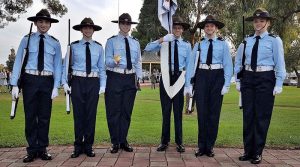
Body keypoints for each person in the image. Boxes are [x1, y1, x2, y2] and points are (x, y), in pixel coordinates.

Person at [234, 8, 286, 164]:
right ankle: (248, 151)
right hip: (248, 78)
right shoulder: (246, 40)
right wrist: (238, 80)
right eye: (256, 21)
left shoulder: (274, 40)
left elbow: (280, 63)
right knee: (248, 116)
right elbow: (238, 61)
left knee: (261, 117)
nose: (258, 23)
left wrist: (279, 83)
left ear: (268, 23)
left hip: (266, 78)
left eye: (262, 21)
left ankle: (257, 152)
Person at [10, 9, 62, 163]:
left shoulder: (55, 42)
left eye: (46, 22)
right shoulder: (26, 39)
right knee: (30, 116)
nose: (43, 24)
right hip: (30, 80)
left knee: (45, 116)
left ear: (50, 24)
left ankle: (43, 149)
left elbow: (58, 65)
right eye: (40, 21)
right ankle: (32, 149)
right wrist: (14, 84)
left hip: (47, 80)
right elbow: (18, 60)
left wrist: (55, 86)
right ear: (35, 23)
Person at [186, 15, 233, 157]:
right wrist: (188, 84)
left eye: (212, 26)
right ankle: (201, 147)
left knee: (214, 114)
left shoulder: (223, 44)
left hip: (217, 77)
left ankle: (210, 146)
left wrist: (226, 83)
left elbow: (227, 65)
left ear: (216, 28)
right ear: (204, 29)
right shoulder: (199, 45)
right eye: (207, 26)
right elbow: (191, 65)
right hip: (202, 76)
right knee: (202, 113)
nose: (209, 28)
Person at [144, 16, 191, 153]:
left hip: (179, 78)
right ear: (172, 29)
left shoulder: (187, 45)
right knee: (165, 112)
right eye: (175, 27)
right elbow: (147, 48)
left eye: (179, 28)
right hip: (165, 77)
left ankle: (179, 142)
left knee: (178, 112)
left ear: (182, 30)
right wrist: (163, 39)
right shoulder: (164, 42)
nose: (177, 30)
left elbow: (188, 66)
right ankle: (164, 141)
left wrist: (188, 85)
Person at [62, 18, 106, 158]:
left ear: (93, 30)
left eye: (90, 28)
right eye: (85, 28)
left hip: (93, 81)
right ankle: (77, 146)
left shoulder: (99, 47)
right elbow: (66, 67)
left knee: (90, 115)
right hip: (77, 81)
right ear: (81, 30)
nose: (88, 30)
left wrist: (103, 85)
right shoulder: (73, 46)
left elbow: (101, 68)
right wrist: (64, 83)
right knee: (79, 115)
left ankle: (88, 146)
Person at [105, 13, 142, 154]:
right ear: (119, 24)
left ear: (130, 26)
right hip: (115, 77)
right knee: (114, 111)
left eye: (128, 24)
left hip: (130, 78)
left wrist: (138, 78)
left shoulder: (135, 42)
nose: (125, 26)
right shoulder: (111, 41)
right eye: (123, 23)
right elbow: (106, 62)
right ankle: (115, 142)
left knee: (126, 111)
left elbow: (138, 62)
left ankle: (123, 140)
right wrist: (114, 61)